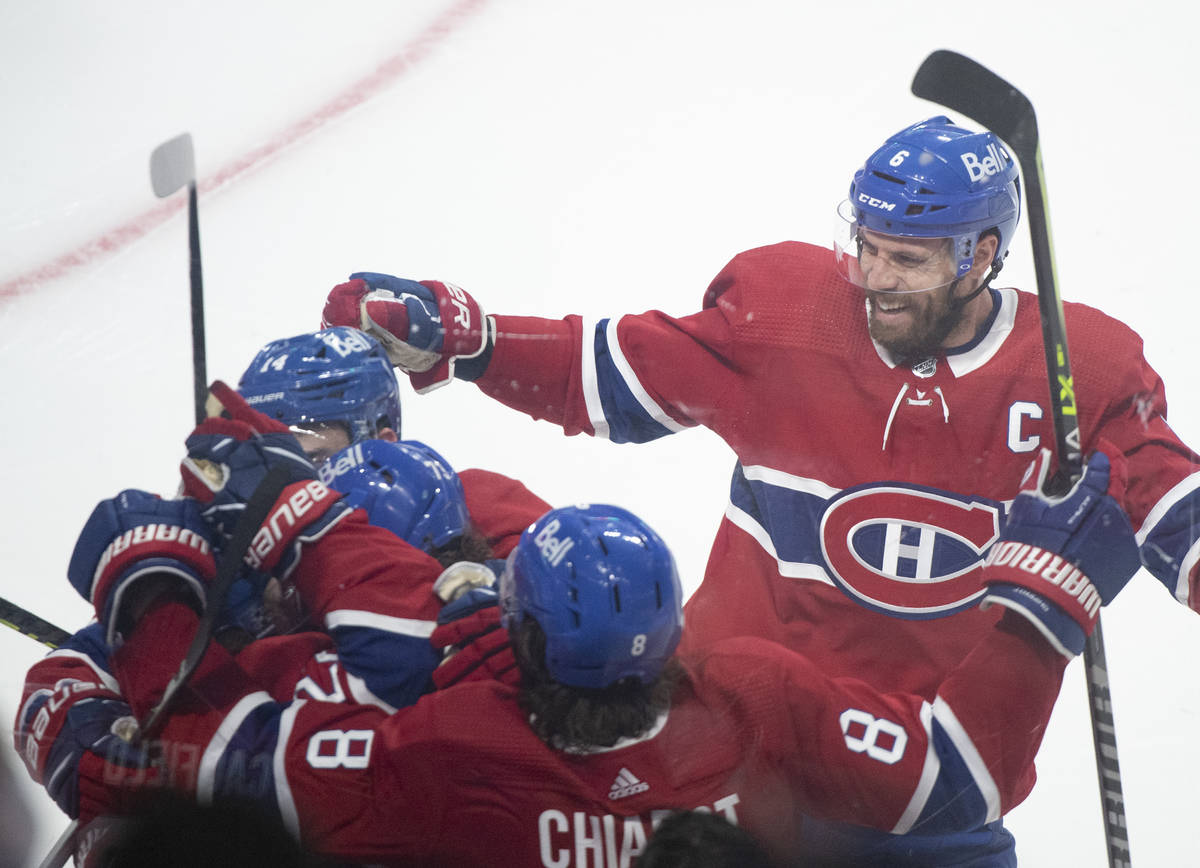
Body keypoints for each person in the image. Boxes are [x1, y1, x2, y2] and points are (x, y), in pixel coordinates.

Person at [319, 116, 1200, 861]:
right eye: (866, 249)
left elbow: (1174, 509)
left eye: (909, 260)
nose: (877, 282)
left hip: (933, 786)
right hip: (729, 766)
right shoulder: (787, 315)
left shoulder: (1074, 372)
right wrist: (469, 341)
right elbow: (615, 373)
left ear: (983, 257)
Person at [29, 442, 1141, 867]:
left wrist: (144, 599)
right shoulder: (751, 697)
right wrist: (1044, 614)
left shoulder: (436, 754)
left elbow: (168, 761)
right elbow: (956, 784)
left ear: (514, 637)